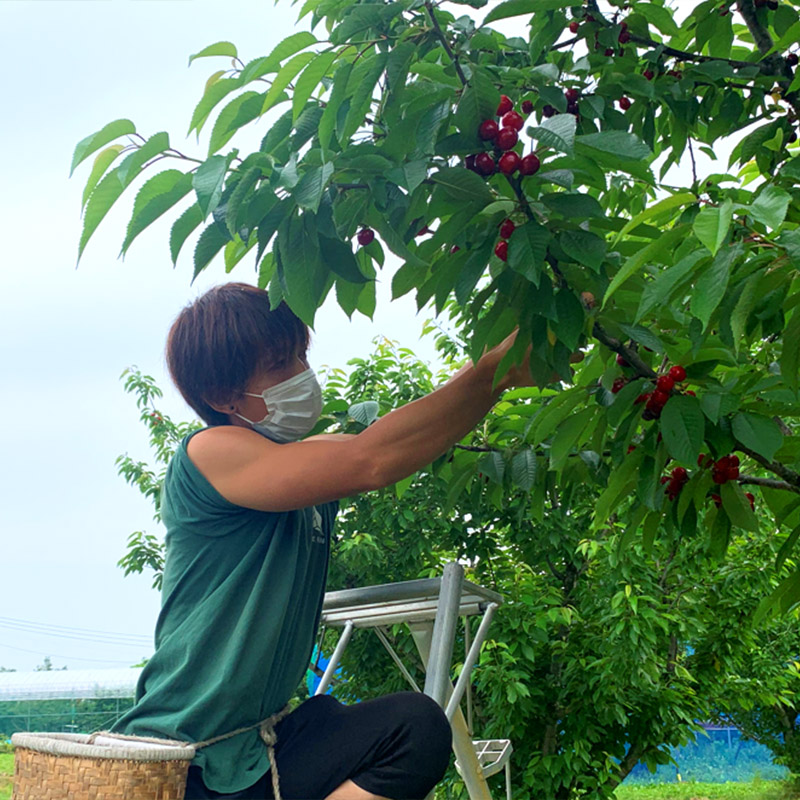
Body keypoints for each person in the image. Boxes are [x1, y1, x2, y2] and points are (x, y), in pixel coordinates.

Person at [112, 281, 549, 800]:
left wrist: (508, 362)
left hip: (259, 748)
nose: (302, 374)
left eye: (301, 355)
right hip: (188, 757)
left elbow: (386, 444)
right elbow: (372, 460)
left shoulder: (298, 465)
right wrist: (493, 372)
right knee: (412, 728)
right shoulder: (213, 451)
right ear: (223, 397)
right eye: (280, 365)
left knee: (415, 728)